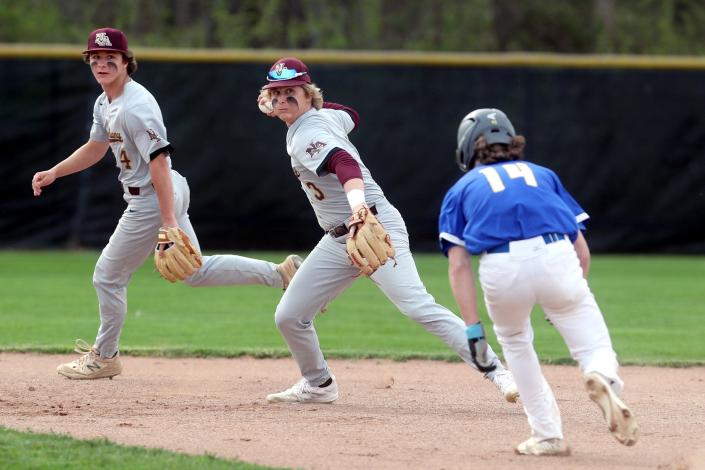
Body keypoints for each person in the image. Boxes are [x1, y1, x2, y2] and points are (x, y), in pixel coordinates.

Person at [31, 28, 302, 380]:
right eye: (95, 58)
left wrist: (168, 219)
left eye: (110, 57)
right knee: (196, 271)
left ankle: (105, 356)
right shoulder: (105, 102)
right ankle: (280, 274)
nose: (102, 63)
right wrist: (55, 172)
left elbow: (159, 159)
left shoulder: (135, 106)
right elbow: (96, 146)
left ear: (127, 62)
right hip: (165, 191)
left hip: (153, 199)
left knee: (107, 277)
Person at [256, 57, 518, 404]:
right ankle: (318, 384)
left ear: (307, 94)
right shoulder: (326, 116)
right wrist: (304, 104)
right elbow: (352, 114)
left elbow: (344, 164)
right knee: (289, 316)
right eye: (276, 94)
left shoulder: (309, 133)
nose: (283, 100)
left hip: (373, 224)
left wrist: (359, 208)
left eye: (291, 93)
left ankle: (497, 371)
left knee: (417, 306)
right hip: (339, 239)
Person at [438, 108, 639, 455]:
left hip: (501, 266)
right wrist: (571, 296)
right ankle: (603, 378)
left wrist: (472, 327)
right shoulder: (542, 175)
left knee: (515, 341)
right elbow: (581, 249)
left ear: (467, 149)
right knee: (590, 341)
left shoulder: (462, 188)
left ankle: (547, 435)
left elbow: (458, 265)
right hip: (556, 254)